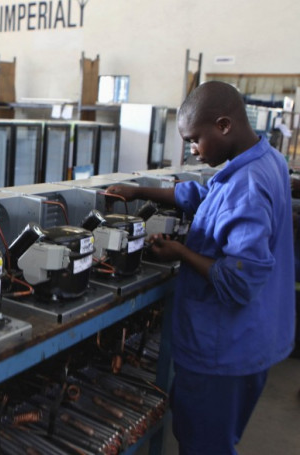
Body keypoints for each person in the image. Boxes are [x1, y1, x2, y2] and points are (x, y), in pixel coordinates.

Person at [106, 81, 295, 454]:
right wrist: (140, 190)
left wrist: (180, 252)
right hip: (254, 336)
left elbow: (239, 279)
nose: (192, 151)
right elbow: (206, 196)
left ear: (223, 125)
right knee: (211, 437)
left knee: (204, 444)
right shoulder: (264, 159)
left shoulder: (249, 185)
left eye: (195, 140)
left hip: (225, 349)